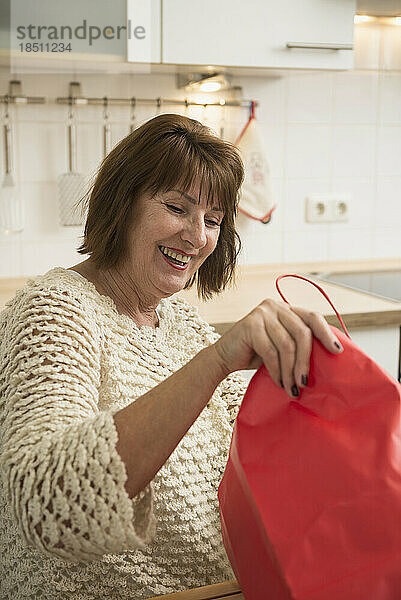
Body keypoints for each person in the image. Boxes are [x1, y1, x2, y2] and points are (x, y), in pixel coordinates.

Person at [0, 114, 343, 600]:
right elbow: (51, 508)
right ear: (123, 203)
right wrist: (216, 361)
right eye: (177, 207)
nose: (198, 236)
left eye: (214, 219)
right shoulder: (53, 312)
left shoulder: (180, 323)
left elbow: (256, 456)